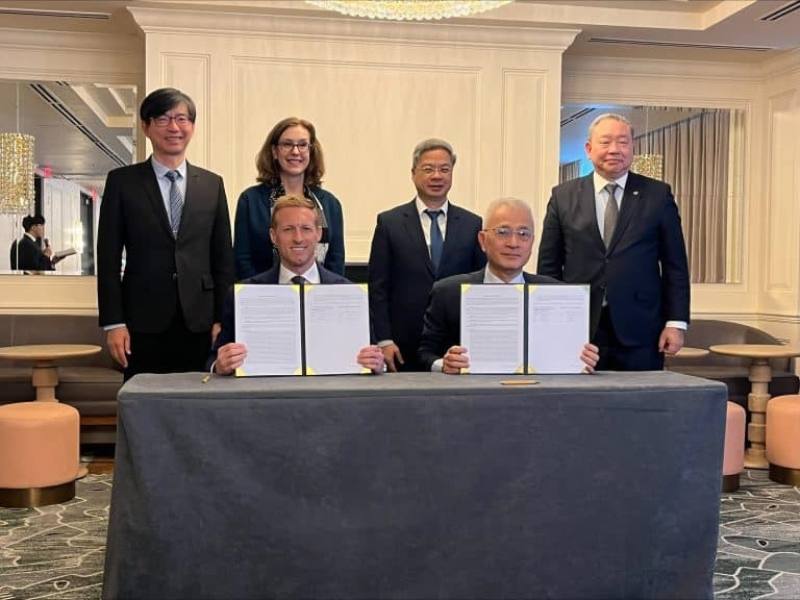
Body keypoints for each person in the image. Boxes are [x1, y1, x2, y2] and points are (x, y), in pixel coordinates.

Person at [97, 87, 234, 380]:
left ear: (192, 127)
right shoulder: (123, 182)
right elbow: (107, 258)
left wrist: (223, 320)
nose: (174, 127)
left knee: (199, 405)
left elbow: (223, 259)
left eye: (182, 119)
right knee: (144, 408)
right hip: (141, 322)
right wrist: (113, 323)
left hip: (199, 322)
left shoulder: (212, 184)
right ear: (146, 127)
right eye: (163, 119)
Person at [537, 113, 690, 371]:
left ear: (632, 148)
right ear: (588, 149)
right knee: (579, 405)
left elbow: (675, 265)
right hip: (577, 328)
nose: (614, 150)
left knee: (639, 406)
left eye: (623, 142)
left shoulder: (658, 195)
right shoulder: (562, 196)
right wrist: (550, 324)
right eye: (605, 142)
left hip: (641, 329)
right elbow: (549, 267)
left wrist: (676, 323)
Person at [418, 197, 599, 373]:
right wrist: (444, 363)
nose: (513, 243)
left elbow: (569, 355)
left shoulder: (556, 294)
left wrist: (583, 359)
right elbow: (424, 354)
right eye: (503, 232)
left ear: (532, 242)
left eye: (523, 234)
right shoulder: (448, 292)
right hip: (471, 398)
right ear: (482, 240)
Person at [210, 195, 383, 375]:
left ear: (318, 234)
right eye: (288, 229)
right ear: (273, 236)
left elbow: (373, 358)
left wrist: (377, 364)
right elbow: (213, 362)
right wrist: (220, 365)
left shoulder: (351, 295)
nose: (298, 238)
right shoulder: (243, 296)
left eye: (306, 229)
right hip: (265, 399)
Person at [368, 138, 486, 372]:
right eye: (428, 169)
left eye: (444, 169)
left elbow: (479, 286)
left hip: (456, 344)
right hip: (401, 344)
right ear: (413, 173)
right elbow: (378, 287)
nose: (437, 176)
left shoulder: (472, 224)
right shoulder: (389, 223)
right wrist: (384, 340)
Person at [234, 117, 345, 280]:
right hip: (263, 297)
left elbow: (336, 261)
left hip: (320, 298)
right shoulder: (251, 200)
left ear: (311, 151)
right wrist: (259, 295)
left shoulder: (330, 204)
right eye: (287, 144)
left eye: (302, 145)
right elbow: (243, 259)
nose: (295, 151)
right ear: (274, 151)